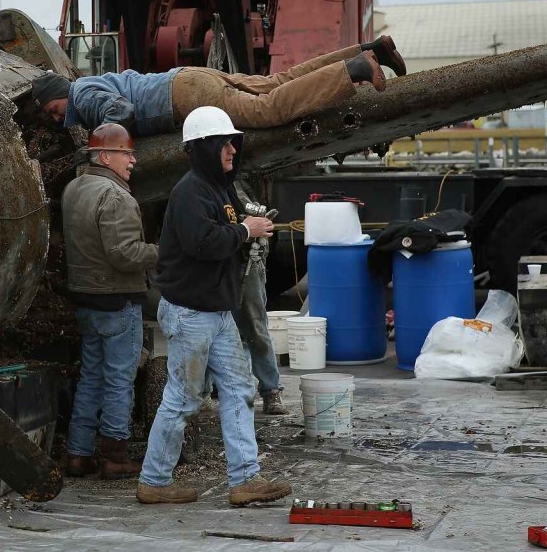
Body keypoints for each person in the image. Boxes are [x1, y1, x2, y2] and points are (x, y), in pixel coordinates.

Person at [136, 107, 292, 506]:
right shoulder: (190, 192)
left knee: (239, 390)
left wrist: (245, 229)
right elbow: (202, 244)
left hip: (216, 312)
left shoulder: (218, 190)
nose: (232, 150)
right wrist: (245, 230)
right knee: (184, 398)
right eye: (224, 143)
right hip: (191, 313)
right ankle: (154, 480)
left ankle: (245, 479)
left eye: (233, 143)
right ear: (203, 148)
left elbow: (220, 235)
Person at [31, 36, 407, 136]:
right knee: (276, 82)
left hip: (183, 97)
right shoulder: (86, 86)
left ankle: (356, 68)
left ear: (60, 94)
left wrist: (102, 143)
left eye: (53, 108)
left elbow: (121, 114)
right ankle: (370, 49)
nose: (58, 115)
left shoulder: (82, 94)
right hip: (187, 80)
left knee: (269, 109)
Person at [62, 123, 158, 479]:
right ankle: (115, 457)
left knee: (91, 378)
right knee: (119, 380)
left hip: (85, 299)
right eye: (126, 153)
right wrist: (161, 253)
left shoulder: (74, 189)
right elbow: (125, 255)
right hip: (117, 302)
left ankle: (77, 454)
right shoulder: (116, 197)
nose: (133, 160)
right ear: (105, 156)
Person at [233, 181, 287, 415]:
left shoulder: (231, 186)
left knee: (255, 327)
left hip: (243, 263)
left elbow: (253, 213)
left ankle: (271, 390)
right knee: (211, 331)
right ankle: (208, 389)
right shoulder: (199, 187)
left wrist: (255, 225)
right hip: (213, 267)